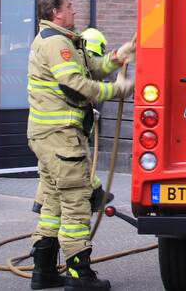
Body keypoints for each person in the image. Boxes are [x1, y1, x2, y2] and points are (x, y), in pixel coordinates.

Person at [28, 0, 136, 291]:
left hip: (50, 137)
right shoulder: (56, 43)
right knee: (76, 202)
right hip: (60, 137)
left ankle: (44, 271)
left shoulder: (63, 40)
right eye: (69, 6)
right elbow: (75, 84)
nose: (74, 10)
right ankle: (79, 275)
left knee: (53, 203)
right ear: (56, 13)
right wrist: (117, 90)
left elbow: (93, 67)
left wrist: (120, 55)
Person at [31, 27, 120, 216]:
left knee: (53, 172)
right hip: (63, 129)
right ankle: (95, 194)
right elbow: (77, 88)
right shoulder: (69, 56)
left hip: (53, 130)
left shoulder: (72, 54)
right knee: (71, 170)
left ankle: (44, 213)